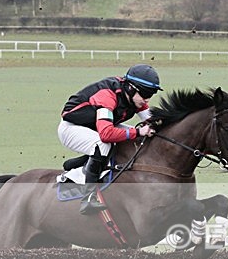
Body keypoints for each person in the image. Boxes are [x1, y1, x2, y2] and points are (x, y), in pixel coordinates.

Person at [58, 64, 162, 215]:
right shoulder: (107, 96)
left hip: (95, 126)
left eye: (151, 94)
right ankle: (88, 198)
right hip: (72, 128)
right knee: (103, 145)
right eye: (145, 94)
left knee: (135, 138)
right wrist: (138, 131)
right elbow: (106, 134)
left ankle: (79, 163)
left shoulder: (133, 97)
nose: (147, 99)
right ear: (130, 88)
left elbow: (153, 120)